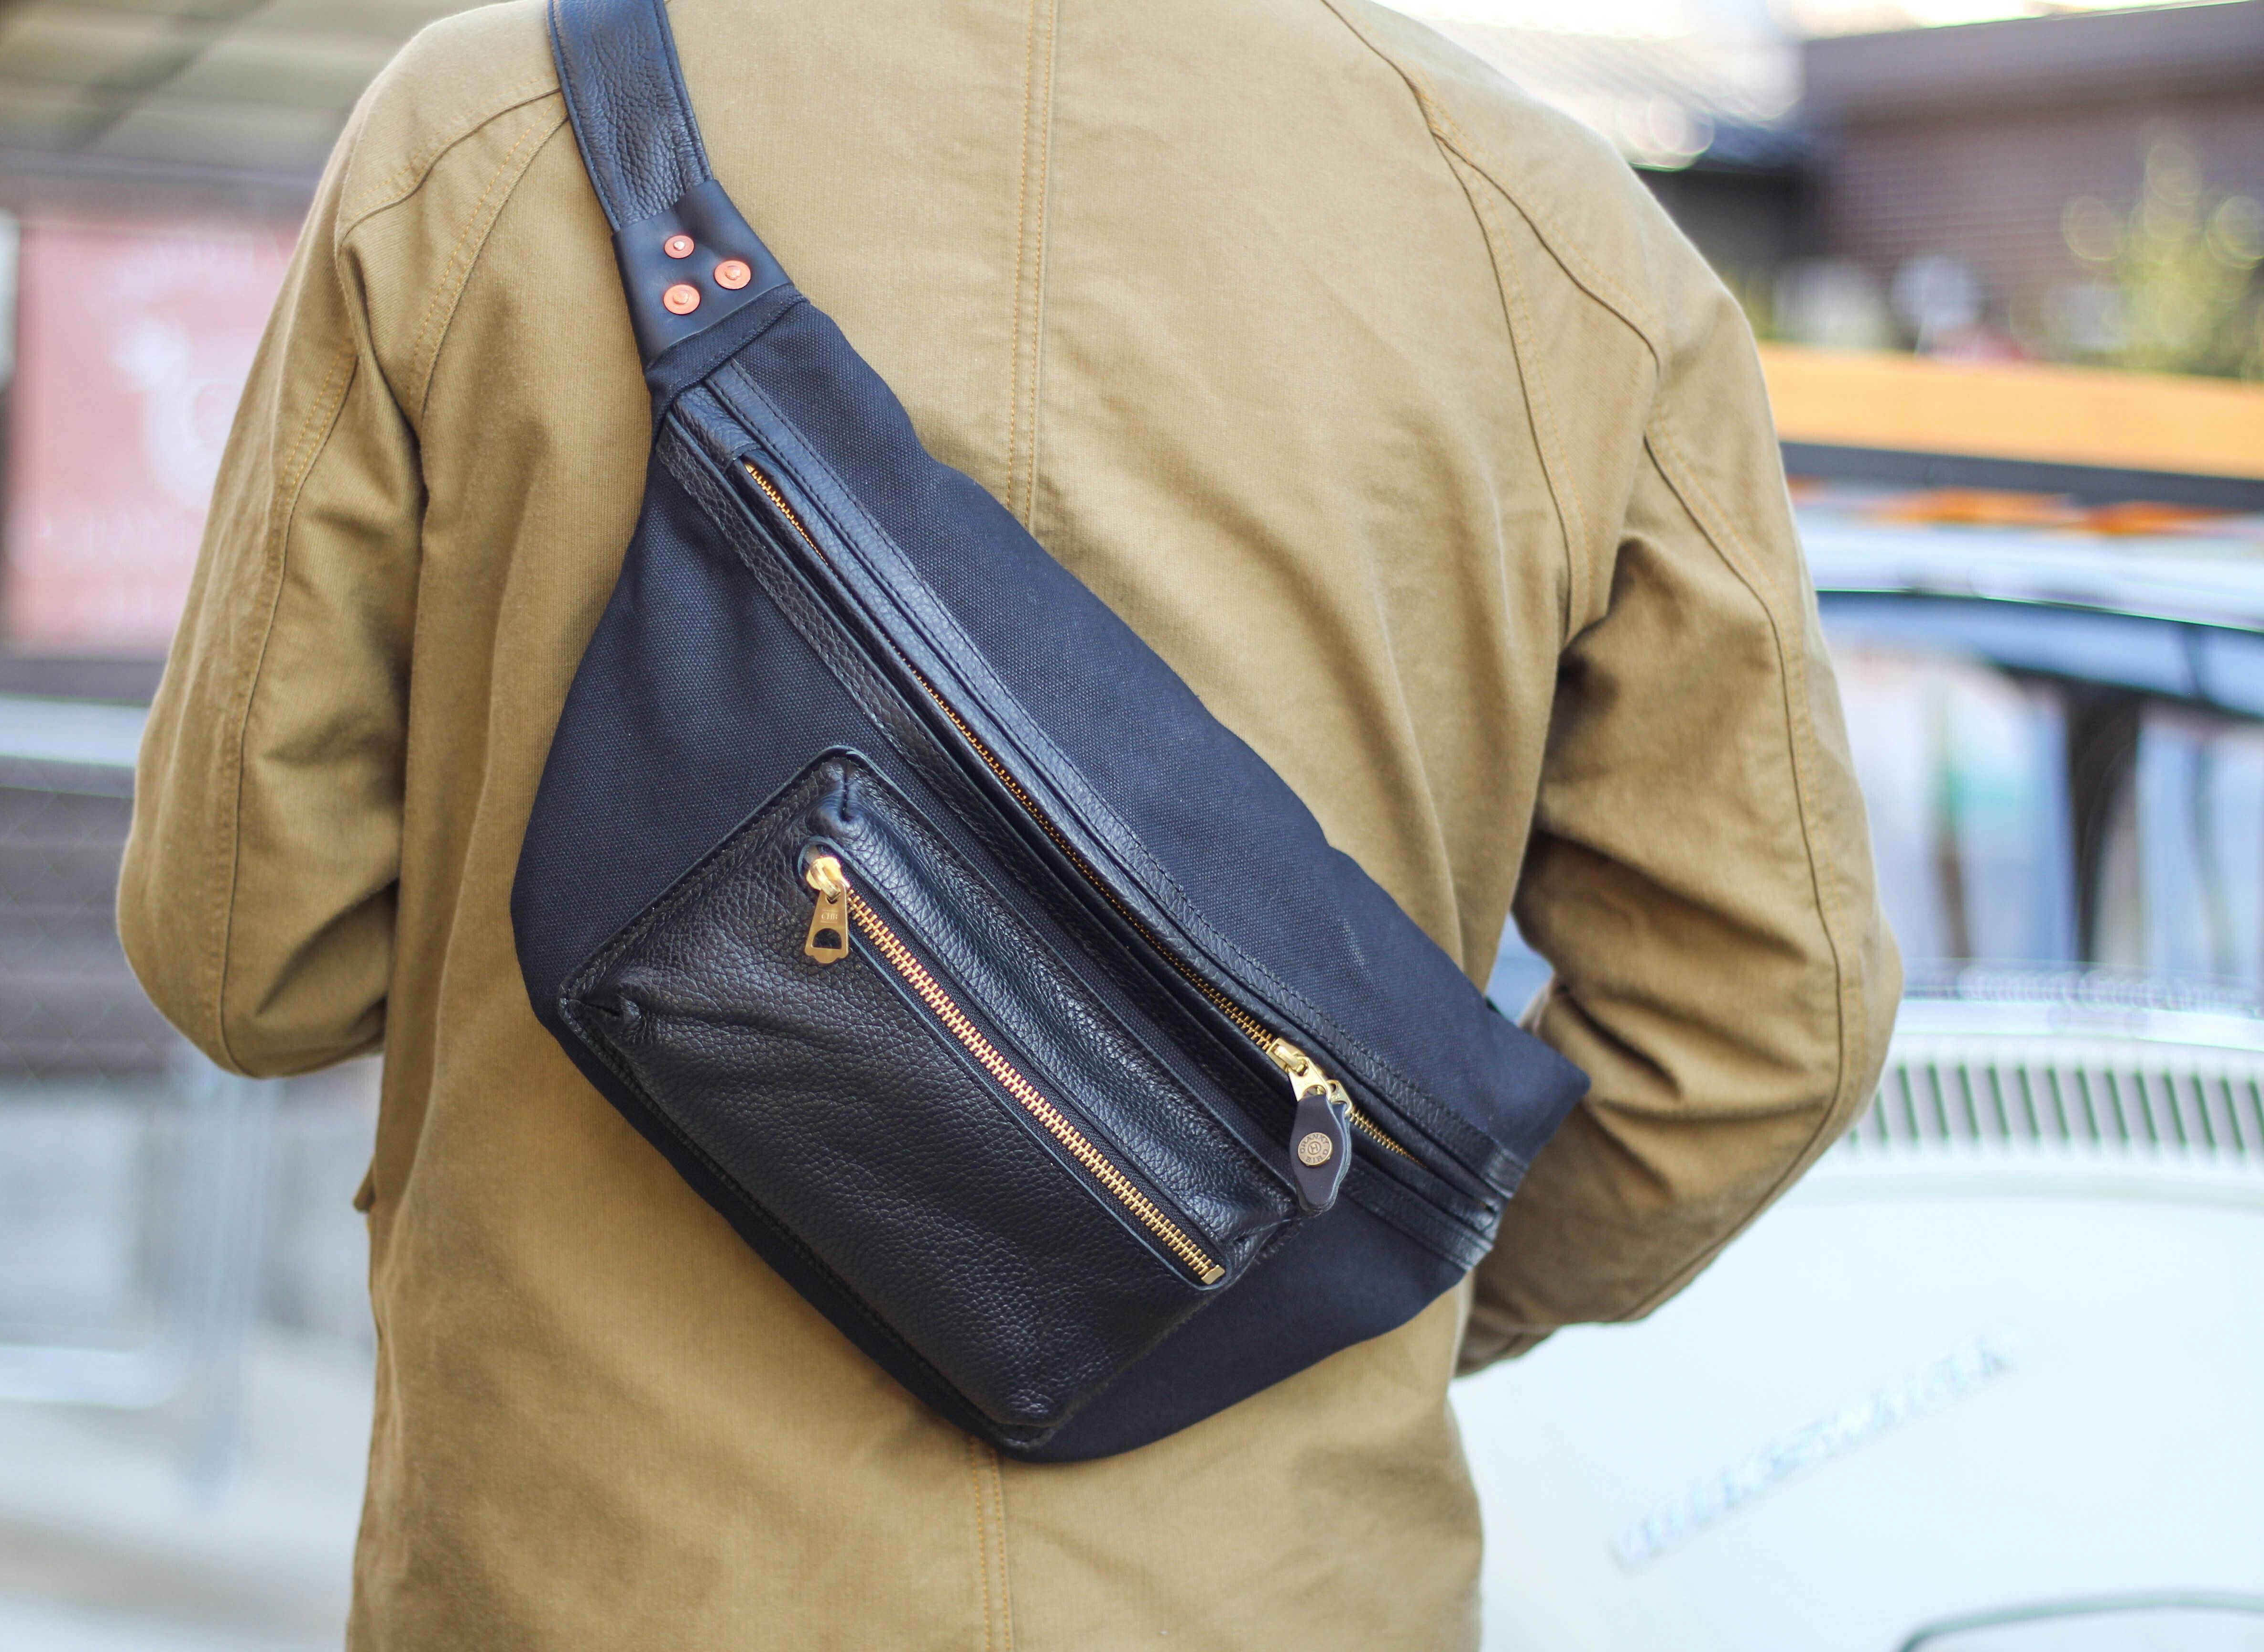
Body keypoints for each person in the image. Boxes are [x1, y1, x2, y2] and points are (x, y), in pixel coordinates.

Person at [119, 0, 1900, 1644]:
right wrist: (1292, 1279)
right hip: (1260, 1590)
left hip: (603, 1571)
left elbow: (246, 957)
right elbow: (1763, 1030)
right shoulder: (1563, 253)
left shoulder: (490, 134)